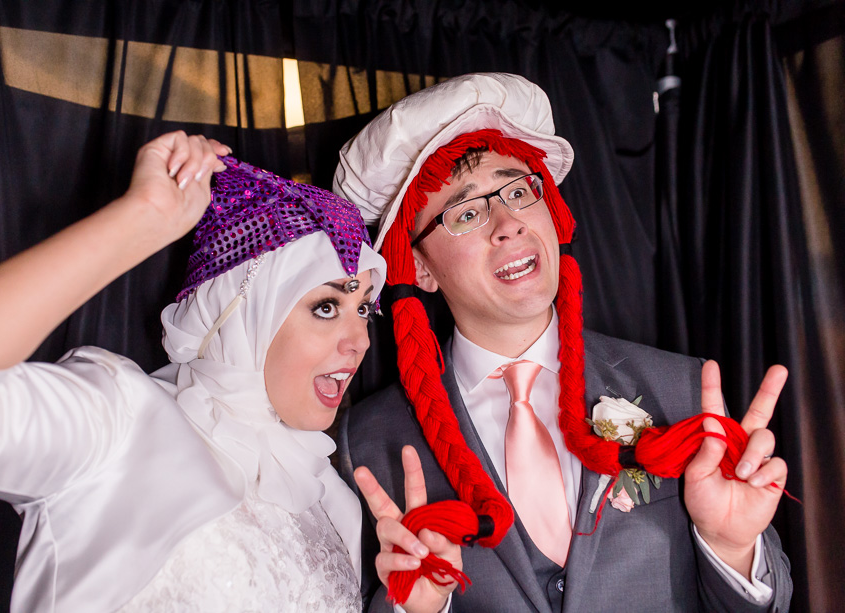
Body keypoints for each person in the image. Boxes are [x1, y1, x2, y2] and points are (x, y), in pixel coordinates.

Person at [0, 131, 458, 612]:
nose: (360, 339)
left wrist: (419, 610)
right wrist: (141, 219)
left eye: (364, 308)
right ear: (240, 313)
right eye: (325, 306)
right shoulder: (121, 422)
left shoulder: (328, 497)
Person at [333, 73, 793, 612]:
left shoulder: (680, 389)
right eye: (465, 212)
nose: (507, 224)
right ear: (420, 267)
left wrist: (731, 547)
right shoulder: (364, 443)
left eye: (518, 191)